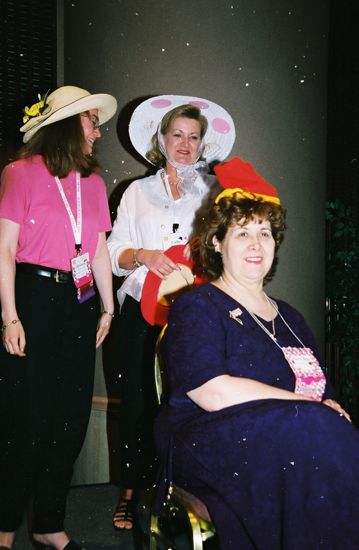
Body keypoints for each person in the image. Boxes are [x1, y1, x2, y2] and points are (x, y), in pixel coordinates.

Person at [154, 156, 359, 549]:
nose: (255, 244)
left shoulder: (292, 318)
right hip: (208, 437)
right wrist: (307, 407)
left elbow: (322, 392)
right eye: (242, 233)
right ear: (217, 242)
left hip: (293, 437)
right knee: (314, 433)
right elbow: (209, 391)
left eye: (264, 233)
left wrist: (328, 407)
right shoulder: (198, 305)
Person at [107, 95, 235, 530]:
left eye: (193, 137)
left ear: (202, 144)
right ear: (160, 140)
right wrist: (142, 253)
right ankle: (131, 492)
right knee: (139, 403)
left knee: (188, 401)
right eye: (176, 135)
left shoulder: (215, 194)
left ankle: (183, 495)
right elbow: (111, 254)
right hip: (140, 311)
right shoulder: (135, 192)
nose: (184, 144)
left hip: (194, 314)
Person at [0, 85, 117, 550]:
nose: (97, 130)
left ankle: (48, 523)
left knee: (69, 420)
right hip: (32, 297)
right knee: (23, 419)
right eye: (91, 120)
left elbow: (101, 250)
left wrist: (108, 306)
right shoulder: (20, 172)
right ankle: (6, 527)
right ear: (68, 124)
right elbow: (5, 249)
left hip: (79, 301)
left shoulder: (92, 181)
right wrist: (9, 316)